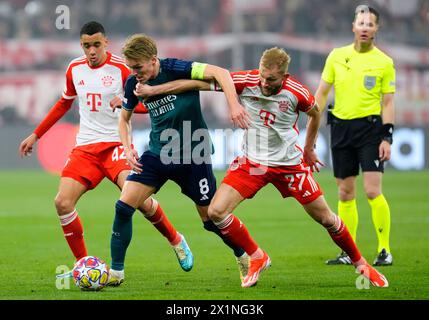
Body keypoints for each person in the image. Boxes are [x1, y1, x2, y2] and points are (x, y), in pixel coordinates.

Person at [135, 47, 389, 289]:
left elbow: (315, 113)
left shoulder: (297, 92)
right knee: (216, 212)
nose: (264, 83)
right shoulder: (248, 80)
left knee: (327, 219)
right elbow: (196, 84)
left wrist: (309, 148)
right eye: (262, 76)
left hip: (289, 165)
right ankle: (257, 256)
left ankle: (361, 264)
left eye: (271, 80)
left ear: (284, 76)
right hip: (253, 163)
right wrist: (156, 90)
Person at [18, 21, 193, 284]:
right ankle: (83, 266)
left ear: (106, 43)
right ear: (81, 45)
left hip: (115, 145)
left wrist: (126, 103)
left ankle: (176, 239)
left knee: (138, 201)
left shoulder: (123, 68)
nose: (91, 50)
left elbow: (147, 104)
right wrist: (36, 134)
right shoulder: (74, 69)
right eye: (86, 45)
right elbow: (63, 104)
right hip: (86, 148)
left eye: (96, 44)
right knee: (62, 203)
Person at [110, 33, 250, 284]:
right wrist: (127, 147)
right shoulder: (133, 83)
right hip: (157, 153)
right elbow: (124, 118)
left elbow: (221, 73)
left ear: (153, 60)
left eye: (138, 67)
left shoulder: (177, 67)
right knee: (123, 207)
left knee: (211, 221)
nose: (134, 72)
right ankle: (116, 273)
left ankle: (243, 255)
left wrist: (234, 105)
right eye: (130, 67)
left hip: (193, 155)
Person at [314, 5, 395, 266]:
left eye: (370, 24)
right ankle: (349, 252)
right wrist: (312, 121)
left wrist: (387, 137)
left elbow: (388, 103)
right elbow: (322, 92)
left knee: (372, 190)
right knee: (345, 193)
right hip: (340, 129)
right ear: (353, 26)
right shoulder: (337, 56)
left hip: (371, 130)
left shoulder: (384, 62)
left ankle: (384, 250)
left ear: (376, 29)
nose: (364, 28)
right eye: (361, 23)